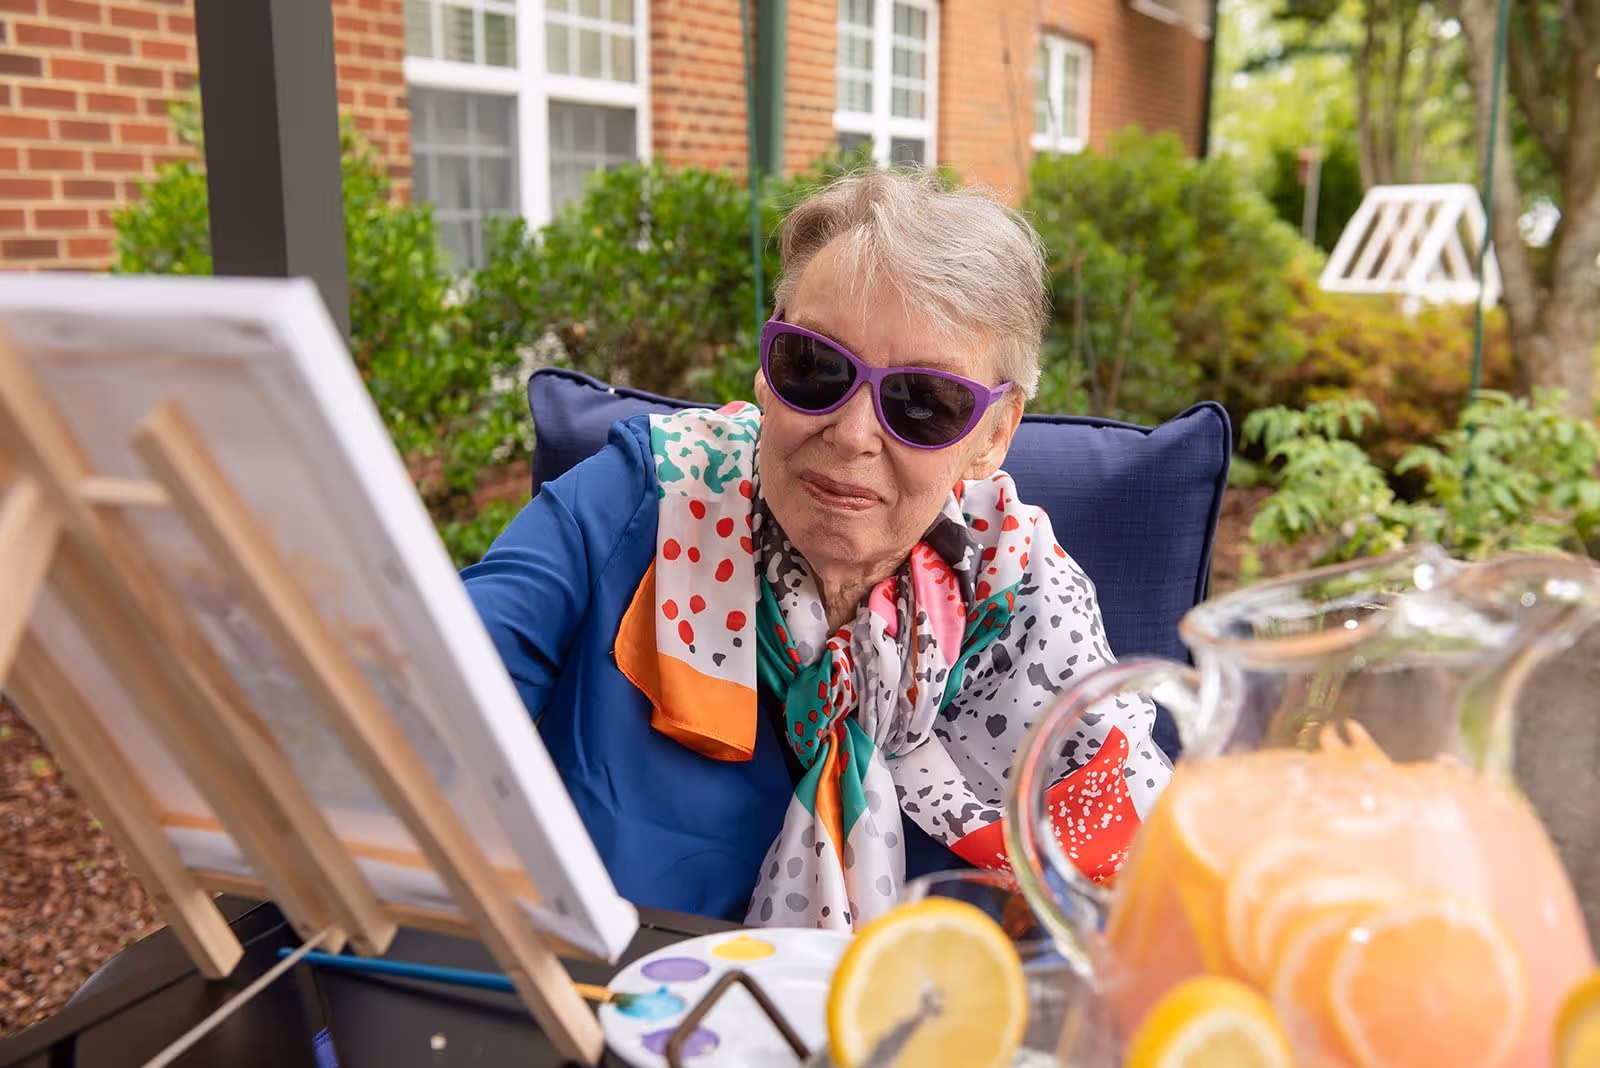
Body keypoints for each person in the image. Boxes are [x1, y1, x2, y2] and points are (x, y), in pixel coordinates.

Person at [461, 168, 1171, 929]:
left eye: (924, 403)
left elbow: (1147, 899)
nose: (853, 433)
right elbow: (426, 696)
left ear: (993, 435)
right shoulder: (641, 496)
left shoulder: (1028, 605)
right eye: (815, 368)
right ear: (767, 374)